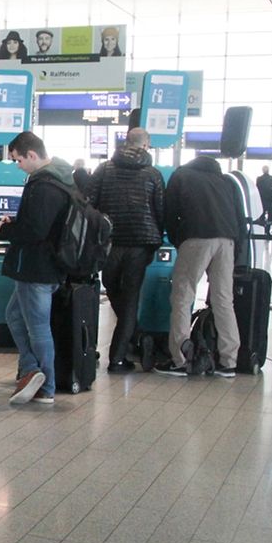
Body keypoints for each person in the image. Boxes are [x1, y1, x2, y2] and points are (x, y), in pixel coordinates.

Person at [0, 131, 75, 405]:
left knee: (38, 328)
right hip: (49, 266)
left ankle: (45, 385)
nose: (18, 166)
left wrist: (6, 227)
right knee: (14, 316)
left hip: (36, 268)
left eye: (18, 160)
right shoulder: (63, 179)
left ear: (31, 155)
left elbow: (34, 229)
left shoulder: (44, 184)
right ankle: (31, 370)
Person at [155, 154, 247, 377]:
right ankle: (229, 361)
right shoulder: (226, 181)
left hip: (196, 237)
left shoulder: (182, 176)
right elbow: (240, 219)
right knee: (223, 299)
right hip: (227, 240)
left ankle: (179, 358)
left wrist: (180, 240)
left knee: (183, 295)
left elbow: (169, 213)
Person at [87, 128, 165, 372]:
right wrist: (157, 236)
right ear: (145, 146)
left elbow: (89, 204)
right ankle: (120, 356)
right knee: (130, 298)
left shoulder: (104, 170)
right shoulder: (153, 174)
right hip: (141, 242)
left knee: (111, 288)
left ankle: (133, 341)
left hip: (110, 241)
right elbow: (160, 209)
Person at [256, 165, 272, 233]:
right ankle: (267, 230)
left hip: (262, 201)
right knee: (270, 216)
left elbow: (257, 189)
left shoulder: (259, 179)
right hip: (270, 201)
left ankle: (262, 230)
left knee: (262, 216)